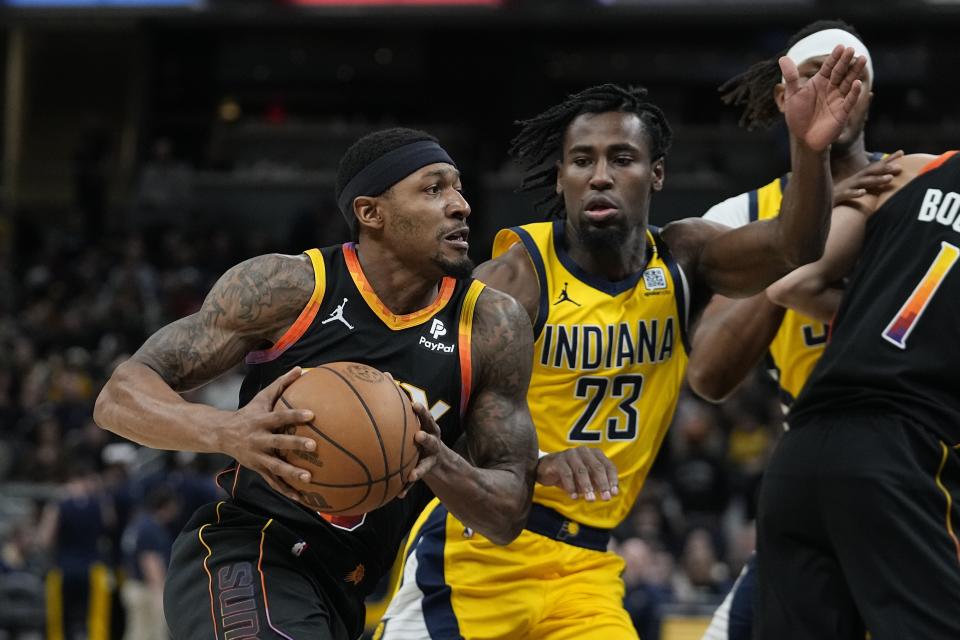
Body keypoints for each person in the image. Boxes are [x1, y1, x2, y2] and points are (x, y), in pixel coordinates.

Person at [378, 43, 866, 640]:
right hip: (476, 556)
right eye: (582, 160)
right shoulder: (515, 279)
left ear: (656, 173)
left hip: (586, 571)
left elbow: (796, 248)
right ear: (561, 178)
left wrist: (808, 150)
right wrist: (538, 465)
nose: (601, 175)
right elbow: (426, 422)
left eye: (622, 158)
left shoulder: (686, 257)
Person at [93, 127, 540, 640]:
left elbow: (507, 514)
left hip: (346, 587)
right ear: (371, 213)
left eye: (458, 188)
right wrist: (227, 431)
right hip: (251, 550)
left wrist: (441, 463)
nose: (460, 205)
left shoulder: (491, 326)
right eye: (434, 189)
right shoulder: (290, 287)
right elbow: (118, 396)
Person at [687, 21, 901, 640]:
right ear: (784, 97)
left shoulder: (918, 187)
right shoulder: (738, 219)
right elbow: (710, 374)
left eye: (851, 77)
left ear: (868, 97)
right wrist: (807, 235)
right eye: (816, 76)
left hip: (925, 471)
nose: (835, 90)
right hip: (821, 481)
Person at [754, 148, 960, 638]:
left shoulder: (911, 169)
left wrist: (876, 307)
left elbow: (790, 284)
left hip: (798, 453)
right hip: (901, 454)